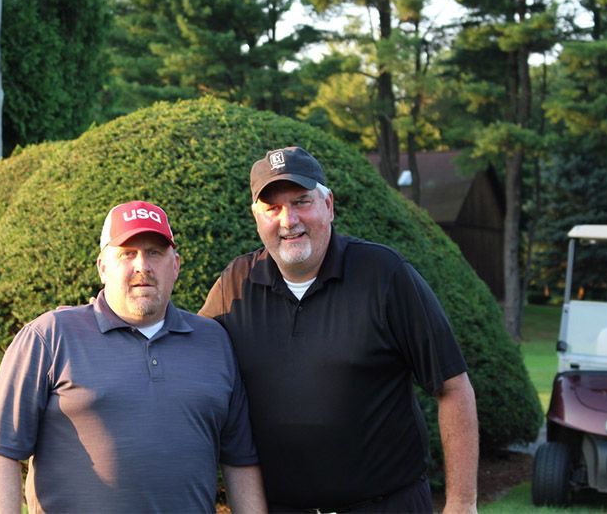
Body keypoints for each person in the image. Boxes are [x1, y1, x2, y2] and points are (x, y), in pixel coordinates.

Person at [200, 147, 479, 513]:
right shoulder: (235, 285)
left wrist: (461, 502)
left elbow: (453, 386)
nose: (288, 220)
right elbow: (188, 361)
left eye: (301, 201)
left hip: (386, 505)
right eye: (272, 208)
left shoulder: (385, 276)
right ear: (257, 218)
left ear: (328, 205)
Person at [0, 200, 267, 513]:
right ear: (103, 267)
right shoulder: (49, 337)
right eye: (127, 253)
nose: (142, 265)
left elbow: (240, 461)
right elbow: (1, 451)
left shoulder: (213, 342)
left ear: (176, 265)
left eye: (155, 252)